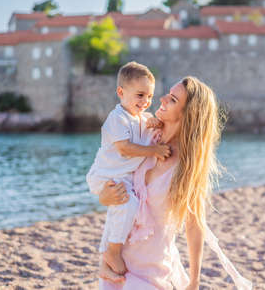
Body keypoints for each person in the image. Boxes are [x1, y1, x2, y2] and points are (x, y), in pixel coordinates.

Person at [97, 77, 253, 289]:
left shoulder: (187, 167)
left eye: (171, 99)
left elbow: (195, 223)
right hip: (116, 262)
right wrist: (103, 196)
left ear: (188, 113)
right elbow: (111, 170)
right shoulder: (144, 135)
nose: (160, 98)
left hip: (151, 270)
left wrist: (195, 279)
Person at [86, 61, 171, 280]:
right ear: (121, 92)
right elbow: (125, 148)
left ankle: (106, 259)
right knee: (127, 205)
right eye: (140, 95)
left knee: (119, 212)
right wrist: (154, 150)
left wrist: (154, 122)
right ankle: (112, 252)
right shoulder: (117, 118)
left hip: (121, 176)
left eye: (150, 97)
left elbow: (148, 124)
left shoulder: (140, 117)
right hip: (106, 175)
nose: (145, 102)